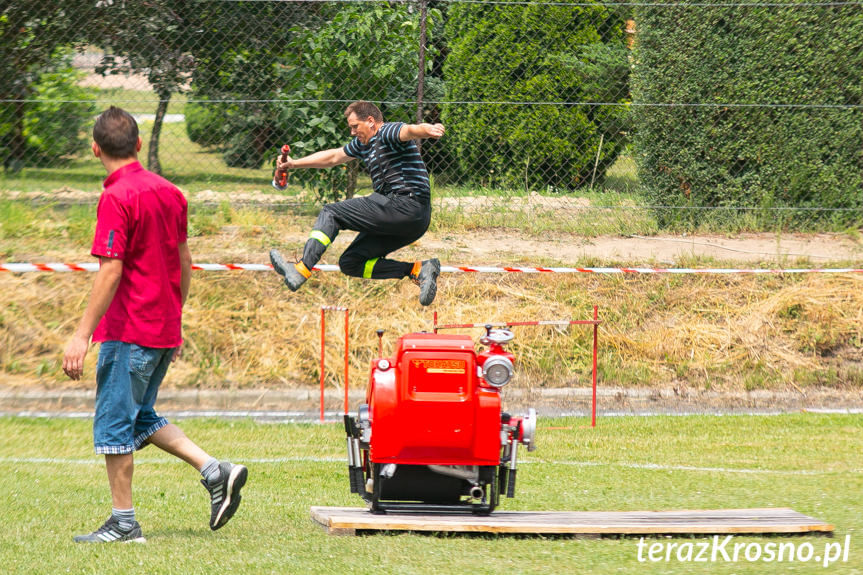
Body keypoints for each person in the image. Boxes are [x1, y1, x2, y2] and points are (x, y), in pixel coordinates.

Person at [62, 106, 247, 543]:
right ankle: (215, 470)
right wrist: (173, 319)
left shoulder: (115, 197)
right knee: (141, 416)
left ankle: (124, 524)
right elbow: (185, 262)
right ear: (139, 145)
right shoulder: (170, 192)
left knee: (114, 426)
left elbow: (110, 271)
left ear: (95, 149)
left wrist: (81, 333)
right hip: (162, 327)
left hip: (129, 331)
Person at [269, 100, 444, 306]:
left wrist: (427, 129)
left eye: (355, 126)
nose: (352, 132)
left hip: (405, 204)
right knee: (351, 263)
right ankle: (417, 270)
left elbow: (409, 130)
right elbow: (333, 156)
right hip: (413, 221)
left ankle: (301, 269)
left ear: (370, 121)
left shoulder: (385, 132)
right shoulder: (363, 145)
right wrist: (293, 164)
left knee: (331, 213)